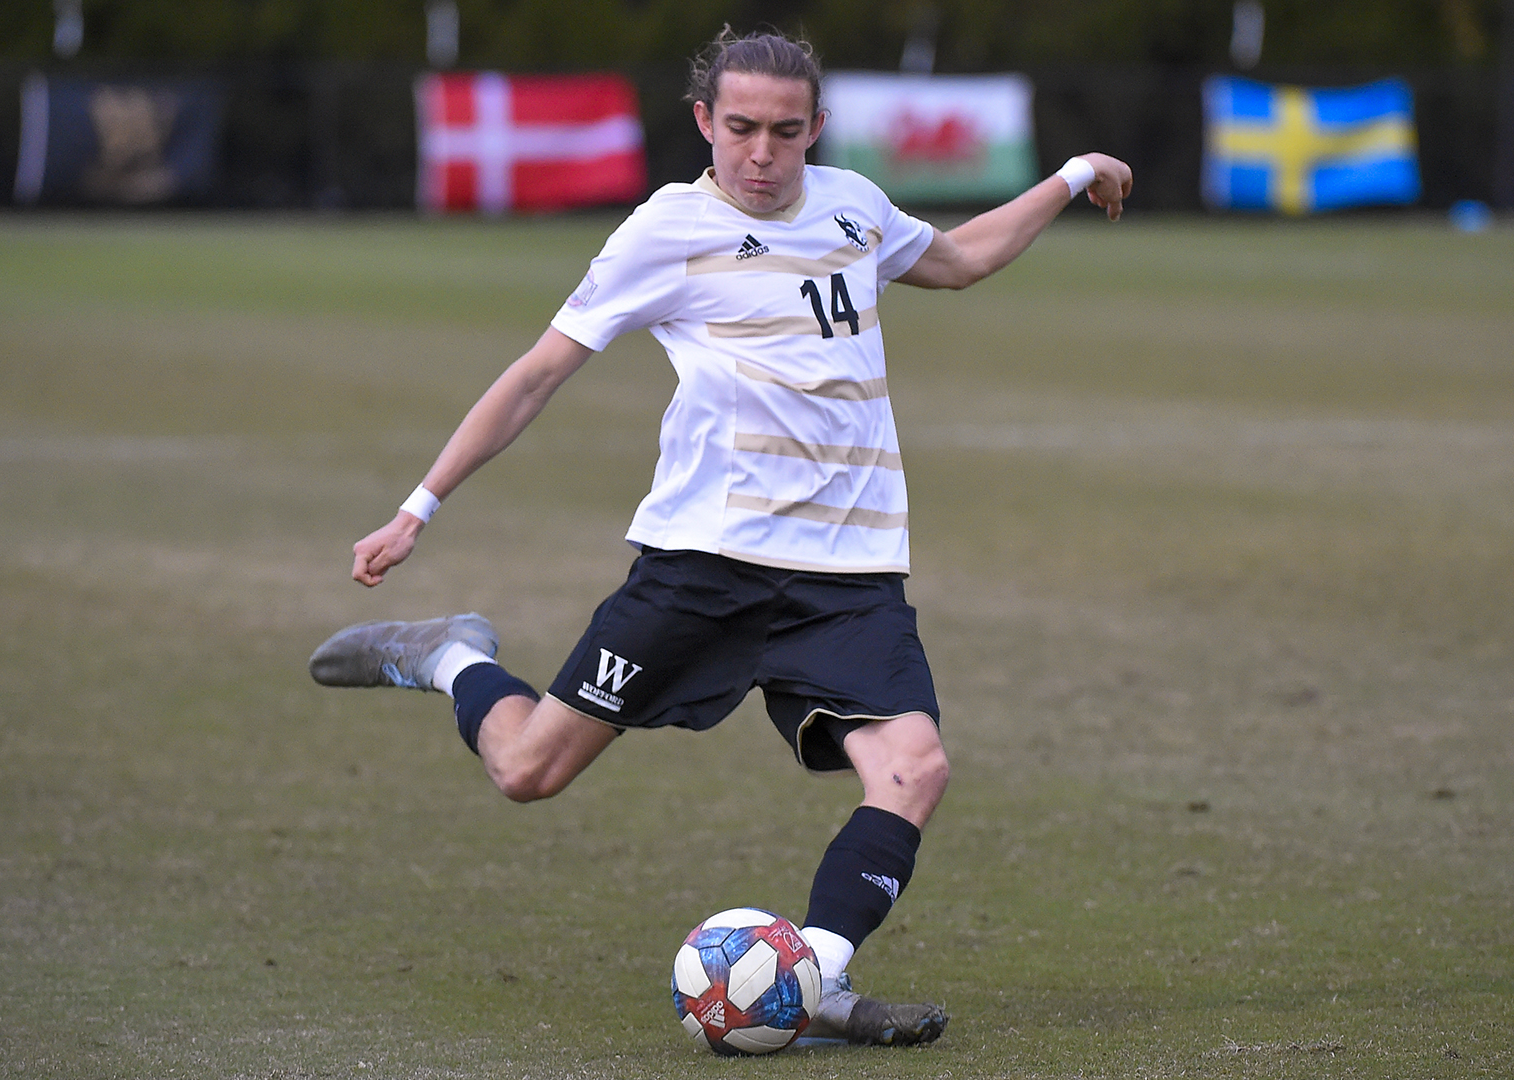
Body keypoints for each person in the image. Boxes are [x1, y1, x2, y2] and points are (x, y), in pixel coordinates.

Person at [310, 28, 1131, 1048]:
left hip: (848, 574)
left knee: (915, 768)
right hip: (704, 567)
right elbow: (534, 376)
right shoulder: (666, 230)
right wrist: (417, 507)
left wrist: (1070, 174)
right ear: (704, 121)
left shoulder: (853, 206)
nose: (761, 153)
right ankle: (451, 657)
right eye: (740, 128)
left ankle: (815, 976)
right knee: (528, 770)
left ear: (816, 130)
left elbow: (960, 260)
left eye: (786, 132)